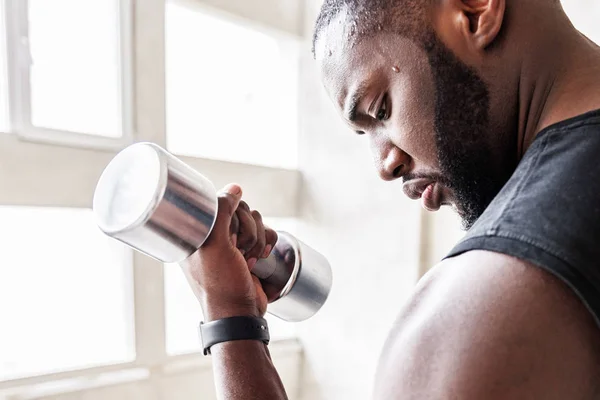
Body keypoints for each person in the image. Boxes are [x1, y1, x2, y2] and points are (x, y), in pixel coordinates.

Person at [182, 0, 600, 398]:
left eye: (380, 109)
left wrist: (229, 317)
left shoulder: (482, 311)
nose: (385, 165)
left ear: (474, 10)